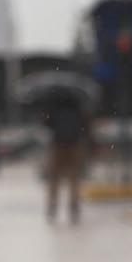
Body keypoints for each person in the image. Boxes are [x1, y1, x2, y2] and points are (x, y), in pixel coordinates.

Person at [42, 95, 91, 224]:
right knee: (74, 178)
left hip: (58, 145)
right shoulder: (78, 109)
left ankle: (52, 205)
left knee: (54, 178)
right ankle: (73, 205)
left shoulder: (55, 108)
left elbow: (47, 125)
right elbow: (85, 127)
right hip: (74, 145)